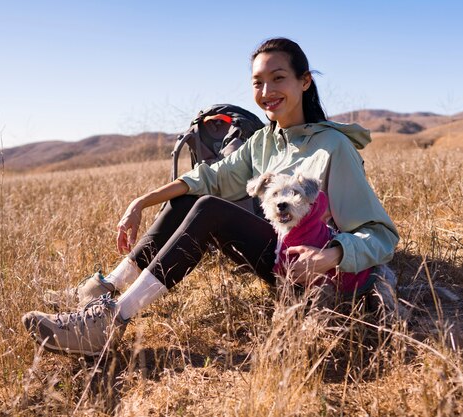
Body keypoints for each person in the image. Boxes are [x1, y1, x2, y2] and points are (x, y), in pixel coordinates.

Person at [22, 37, 400, 357]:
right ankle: (107, 286)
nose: (266, 93)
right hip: (279, 255)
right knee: (191, 196)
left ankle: (110, 321)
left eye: (278, 79)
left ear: (304, 82)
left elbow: (381, 234)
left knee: (209, 210)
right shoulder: (264, 141)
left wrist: (330, 255)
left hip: (316, 274)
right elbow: (210, 176)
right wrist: (140, 202)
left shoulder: (333, 146)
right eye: (258, 82)